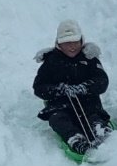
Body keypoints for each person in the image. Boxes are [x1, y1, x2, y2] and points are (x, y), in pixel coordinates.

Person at [33, 19, 111, 154]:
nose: (72, 46)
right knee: (59, 120)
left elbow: (102, 81)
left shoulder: (89, 58)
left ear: (82, 41)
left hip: (88, 103)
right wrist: (58, 90)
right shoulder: (51, 62)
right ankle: (76, 140)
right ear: (59, 44)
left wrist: (85, 88)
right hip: (61, 106)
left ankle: (101, 133)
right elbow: (39, 87)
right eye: (67, 43)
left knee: (93, 117)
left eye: (75, 42)